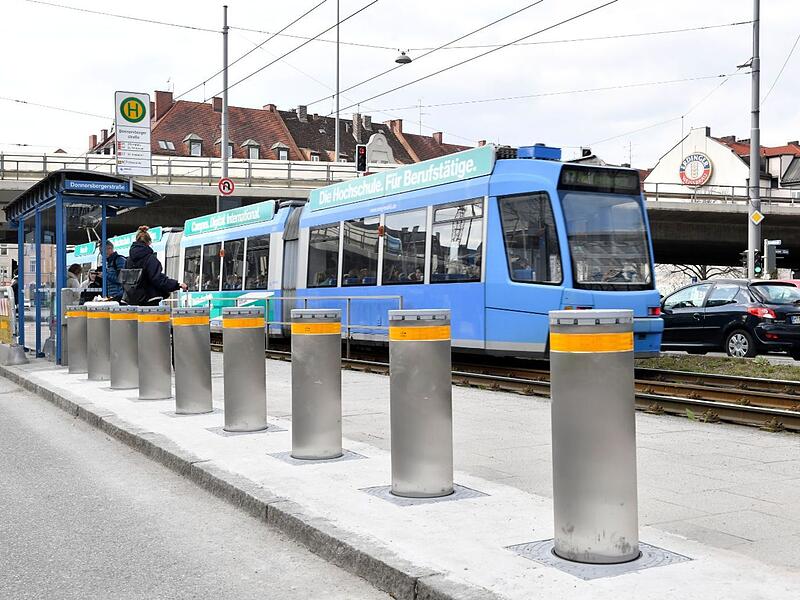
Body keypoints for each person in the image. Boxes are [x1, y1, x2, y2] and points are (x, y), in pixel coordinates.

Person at [125, 226, 187, 305]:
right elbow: (158, 279)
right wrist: (177, 285)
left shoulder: (128, 260)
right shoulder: (150, 259)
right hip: (148, 300)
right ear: (149, 242)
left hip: (132, 301)